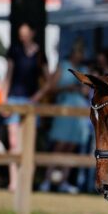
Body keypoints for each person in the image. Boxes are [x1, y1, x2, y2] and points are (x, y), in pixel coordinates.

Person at [38, 41, 91, 194]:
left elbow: (87, 92)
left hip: (79, 110)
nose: (80, 55)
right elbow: (52, 87)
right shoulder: (64, 66)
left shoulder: (84, 70)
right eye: (78, 52)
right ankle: (48, 180)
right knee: (60, 145)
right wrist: (67, 88)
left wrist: (83, 89)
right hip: (65, 108)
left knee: (71, 146)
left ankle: (63, 181)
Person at [2, 23, 49, 191]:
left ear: (32, 33)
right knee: (14, 143)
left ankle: (25, 182)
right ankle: (13, 182)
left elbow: (47, 80)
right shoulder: (14, 51)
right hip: (14, 99)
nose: (23, 36)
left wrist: (37, 97)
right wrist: (4, 99)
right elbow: (8, 76)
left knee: (28, 144)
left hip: (30, 102)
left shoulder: (40, 55)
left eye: (25, 33)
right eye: (20, 33)